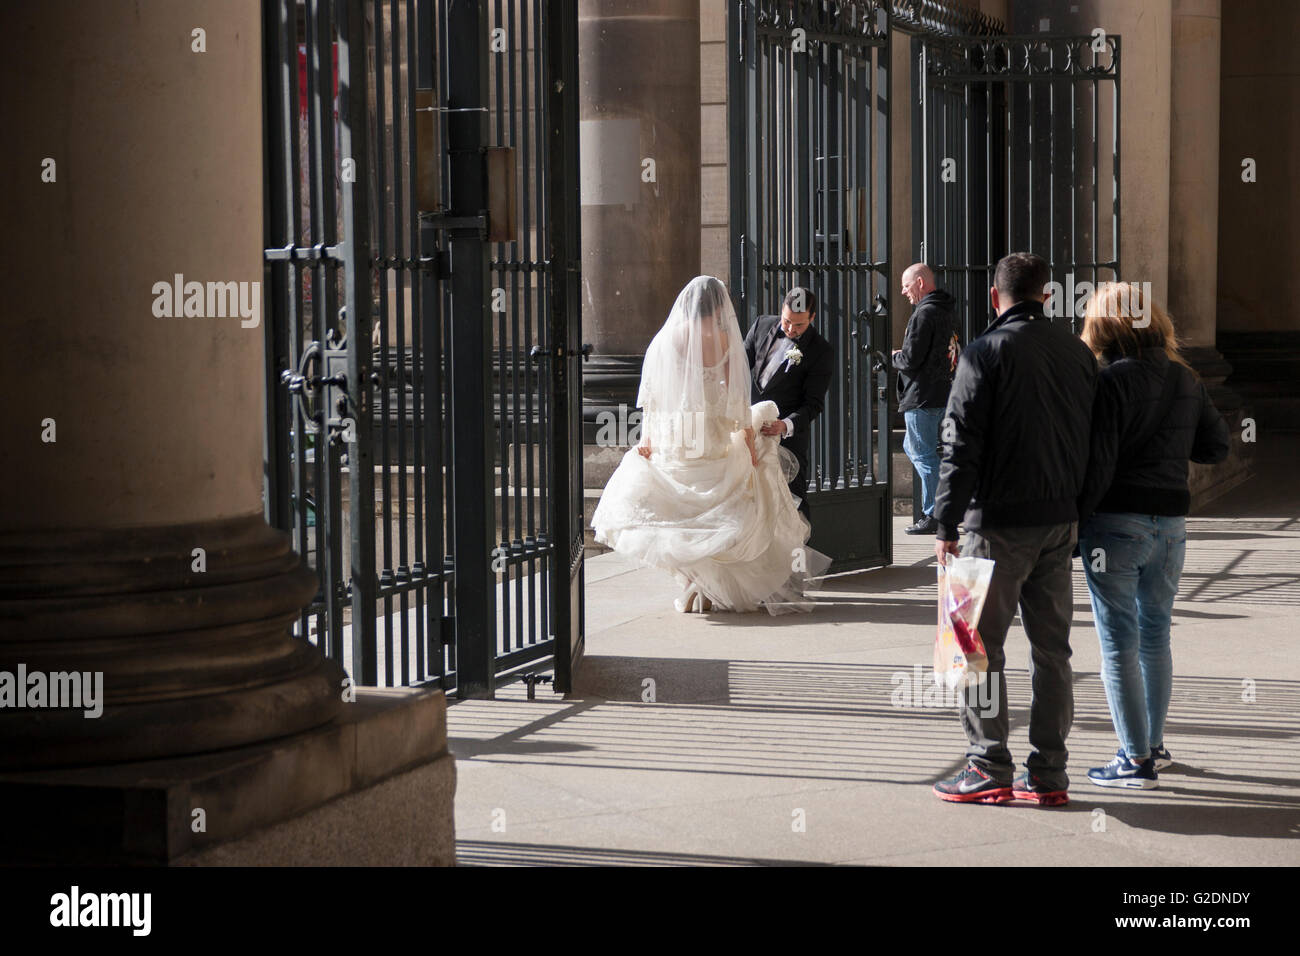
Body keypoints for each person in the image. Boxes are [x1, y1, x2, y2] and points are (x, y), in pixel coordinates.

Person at [930, 252, 1098, 807]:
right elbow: (1096, 441)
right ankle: (1049, 773)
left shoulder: (982, 353)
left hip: (992, 522)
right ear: (1045, 295)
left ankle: (987, 765)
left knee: (970, 644)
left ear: (995, 298)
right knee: (1053, 651)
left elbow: (958, 446)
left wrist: (945, 523)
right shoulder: (1077, 353)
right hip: (1058, 520)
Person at [591, 276, 827, 614]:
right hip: (712, 438)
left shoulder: (663, 341)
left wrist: (648, 438)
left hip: (677, 438)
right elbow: (734, 404)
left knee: (682, 514)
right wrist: (747, 444)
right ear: (718, 309)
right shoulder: (724, 341)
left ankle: (692, 585)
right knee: (717, 513)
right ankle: (702, 588)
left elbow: (653, 399)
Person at [1076, 283, 1229, 789]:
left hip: (1115, 524)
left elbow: (1095, 465)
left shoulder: (1107, 382)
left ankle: (1133, 758)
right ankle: (1154, 746)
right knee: (1156, 634)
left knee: (1118, 642)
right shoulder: (1187, 379)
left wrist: (1078, 522)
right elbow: (1216, 448)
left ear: (1103, 326)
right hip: (1171, 527)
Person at [743, 287, 836, 518]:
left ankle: (799, 551)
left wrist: (784, 425)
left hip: (786, 439)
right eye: (787, 322)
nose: (791, 329)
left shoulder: (820, 351)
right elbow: (738, 369)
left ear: (812, 317)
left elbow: (813, 403)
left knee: (793, 502)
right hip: (747, 432)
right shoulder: (761, 325)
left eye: (799, 325)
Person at [893, 263, 958, 535]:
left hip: (921, 397)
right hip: (940, 393)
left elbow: (911, 359)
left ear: (920, 282)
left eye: (906, 286)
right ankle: (947, 498)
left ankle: (934, 514)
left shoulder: (923, 314)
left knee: (924, 455)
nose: (903, 292)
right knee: (916, 449)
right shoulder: (945, 311)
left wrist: (894, 355)